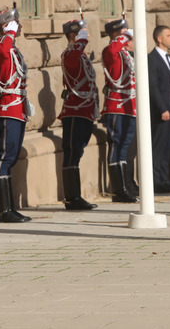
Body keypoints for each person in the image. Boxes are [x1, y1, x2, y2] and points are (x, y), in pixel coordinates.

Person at [0, 8, 33, 223]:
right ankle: (2, 210)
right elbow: (3, 54)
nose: (20, 26)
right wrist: (8, 34)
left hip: (17, 108)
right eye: (16, 23)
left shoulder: (13, 49)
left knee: (11, 157)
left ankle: (9, 207)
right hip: (6, 108)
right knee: (4, 157)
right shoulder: (0, 47)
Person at [57, 19, 100, 210]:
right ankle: (72, 198)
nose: (87, 36)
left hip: (85, 109)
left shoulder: (81, 55)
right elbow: (74, 60)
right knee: (72, 153)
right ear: (74, 36)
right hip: (74, 110)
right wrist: (81, 41)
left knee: (78, 152)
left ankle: (75, 196)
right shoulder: (70, 54)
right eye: (83, 33)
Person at [102, 18, 138, 203]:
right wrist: (124, 36)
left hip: (128, 105)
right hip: (116, 105)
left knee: (124, 147)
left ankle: (125, 186)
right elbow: (112, 49)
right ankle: (118, 190)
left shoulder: (125, 53)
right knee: (117, 146)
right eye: (124, 33)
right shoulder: (112, 51)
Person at [147, 25, 170, 194]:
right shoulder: (152, 59)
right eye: (168, 35)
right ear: (159, 38)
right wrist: (162, 108)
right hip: (162, 112)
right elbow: (153, 87)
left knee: (168, 147)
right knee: (158, 147)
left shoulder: (168, 58)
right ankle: (156, 180)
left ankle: (164, 179)